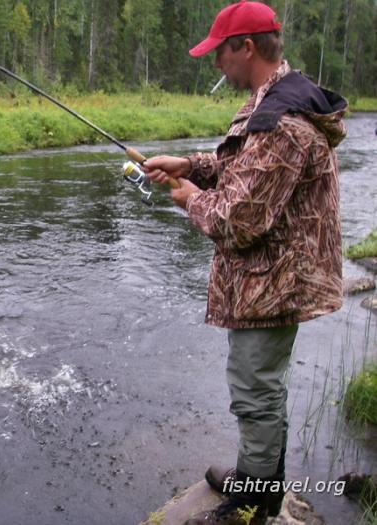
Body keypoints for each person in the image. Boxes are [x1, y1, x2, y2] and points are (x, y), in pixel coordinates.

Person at [143, 2, 347, 524]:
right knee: (261, 389)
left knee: (255, 393)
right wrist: (190, 164)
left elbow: (239, 221)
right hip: (269, 278)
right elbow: (241, 168)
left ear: (246, 48)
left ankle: (255, 501)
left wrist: (189, 196)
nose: (216, 65)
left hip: (274, 282)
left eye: (220, 54)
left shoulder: (283, 123)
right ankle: (259, 477)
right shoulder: (274, 100)